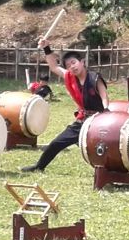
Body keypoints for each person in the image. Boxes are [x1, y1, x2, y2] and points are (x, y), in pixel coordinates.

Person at [21, 39, 109, 172]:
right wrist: (46, 48)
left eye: (74, 62)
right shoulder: (70, 77)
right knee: (57, 143)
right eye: (68, 65)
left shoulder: (94, 78)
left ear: (82, 62)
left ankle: (110, 170)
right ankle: (39, 166)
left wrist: (106, 111)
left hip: (99, 121)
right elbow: (54, 67)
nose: (72, 67)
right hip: (82, 120)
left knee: (102, 148)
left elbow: (104, 96)